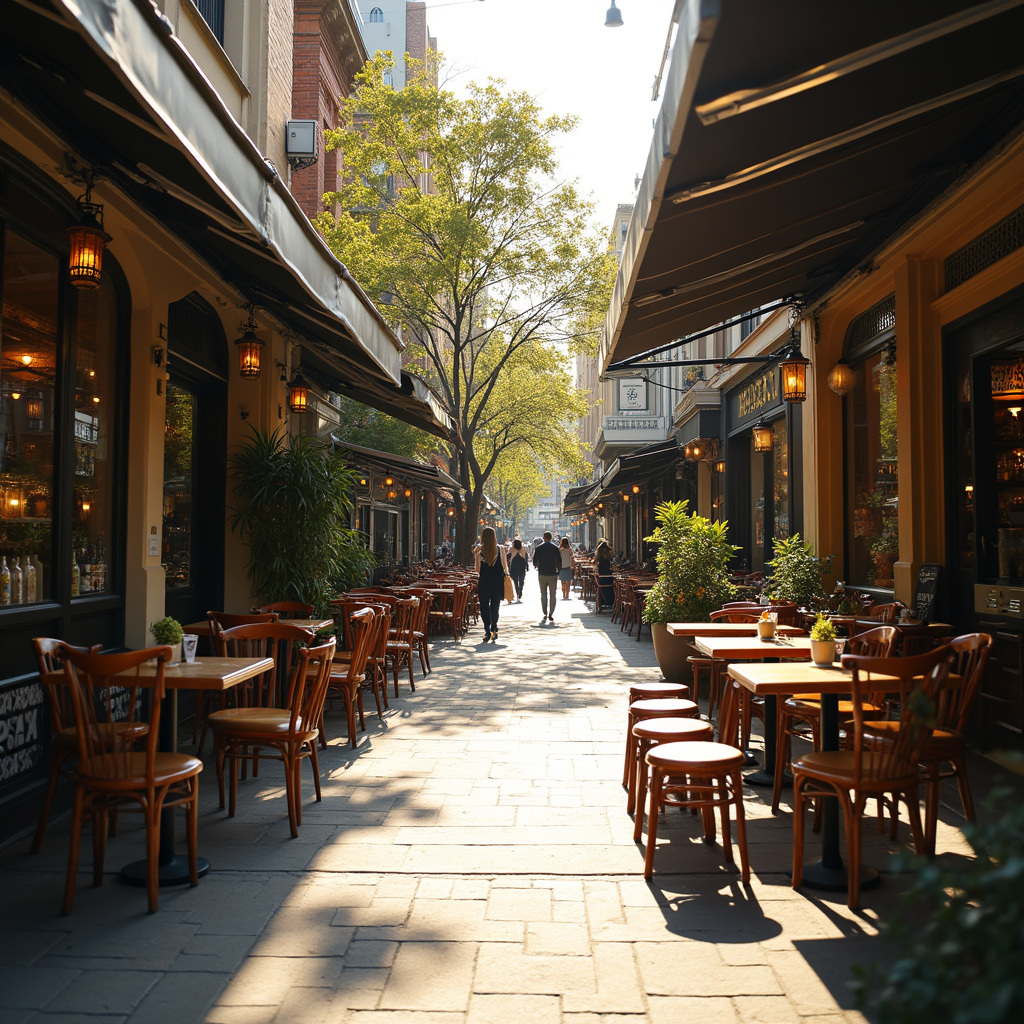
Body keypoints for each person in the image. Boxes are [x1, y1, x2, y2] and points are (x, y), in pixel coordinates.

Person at [473, 526, 509, 642]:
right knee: (495, 605)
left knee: (484, 606)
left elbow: (477, 570)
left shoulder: (479, 551)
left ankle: (487, 629)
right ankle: (494, 626)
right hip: (497, 581)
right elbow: (505, 566)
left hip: (484, 581)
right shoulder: (500, 549)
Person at [532, 530, 560, 623]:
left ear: (543, 538)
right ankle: (551, 613)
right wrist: (558, 571)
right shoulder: (555, 548)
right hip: (552, 573)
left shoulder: (539, 548)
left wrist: (537, 566)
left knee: (543, 593)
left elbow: (534, 560)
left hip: (542, 573)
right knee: (553, 594)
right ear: (551, 538)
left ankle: (545, 612)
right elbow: (559, 560)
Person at [595, 539, 614, 613]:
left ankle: (603, 602)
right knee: (614, 587)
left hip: (602, 579)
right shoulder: (609, 557)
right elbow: (611, 567)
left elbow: (596, 567)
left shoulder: (599, 557)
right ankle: (612, 602)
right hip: (609, 578)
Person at [508, 538, 528, 602]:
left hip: (514, 567)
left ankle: (518, 593)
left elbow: (508, 558)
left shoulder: (511, 549)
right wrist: (527, 567)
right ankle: (520, 591)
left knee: (515, 582)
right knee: (521, 581)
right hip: (522, 566)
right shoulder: (523, 549)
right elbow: (526, 558)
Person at [557, 536, 575, 600]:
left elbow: (558, 559)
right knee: (568, 583)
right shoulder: (570, 550)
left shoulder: (560, 550)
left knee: (563, 583)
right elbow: (572, 558)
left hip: (561, 567)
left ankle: (564, 594)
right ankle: (567, 595)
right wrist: (572, 565)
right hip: (568, 567)